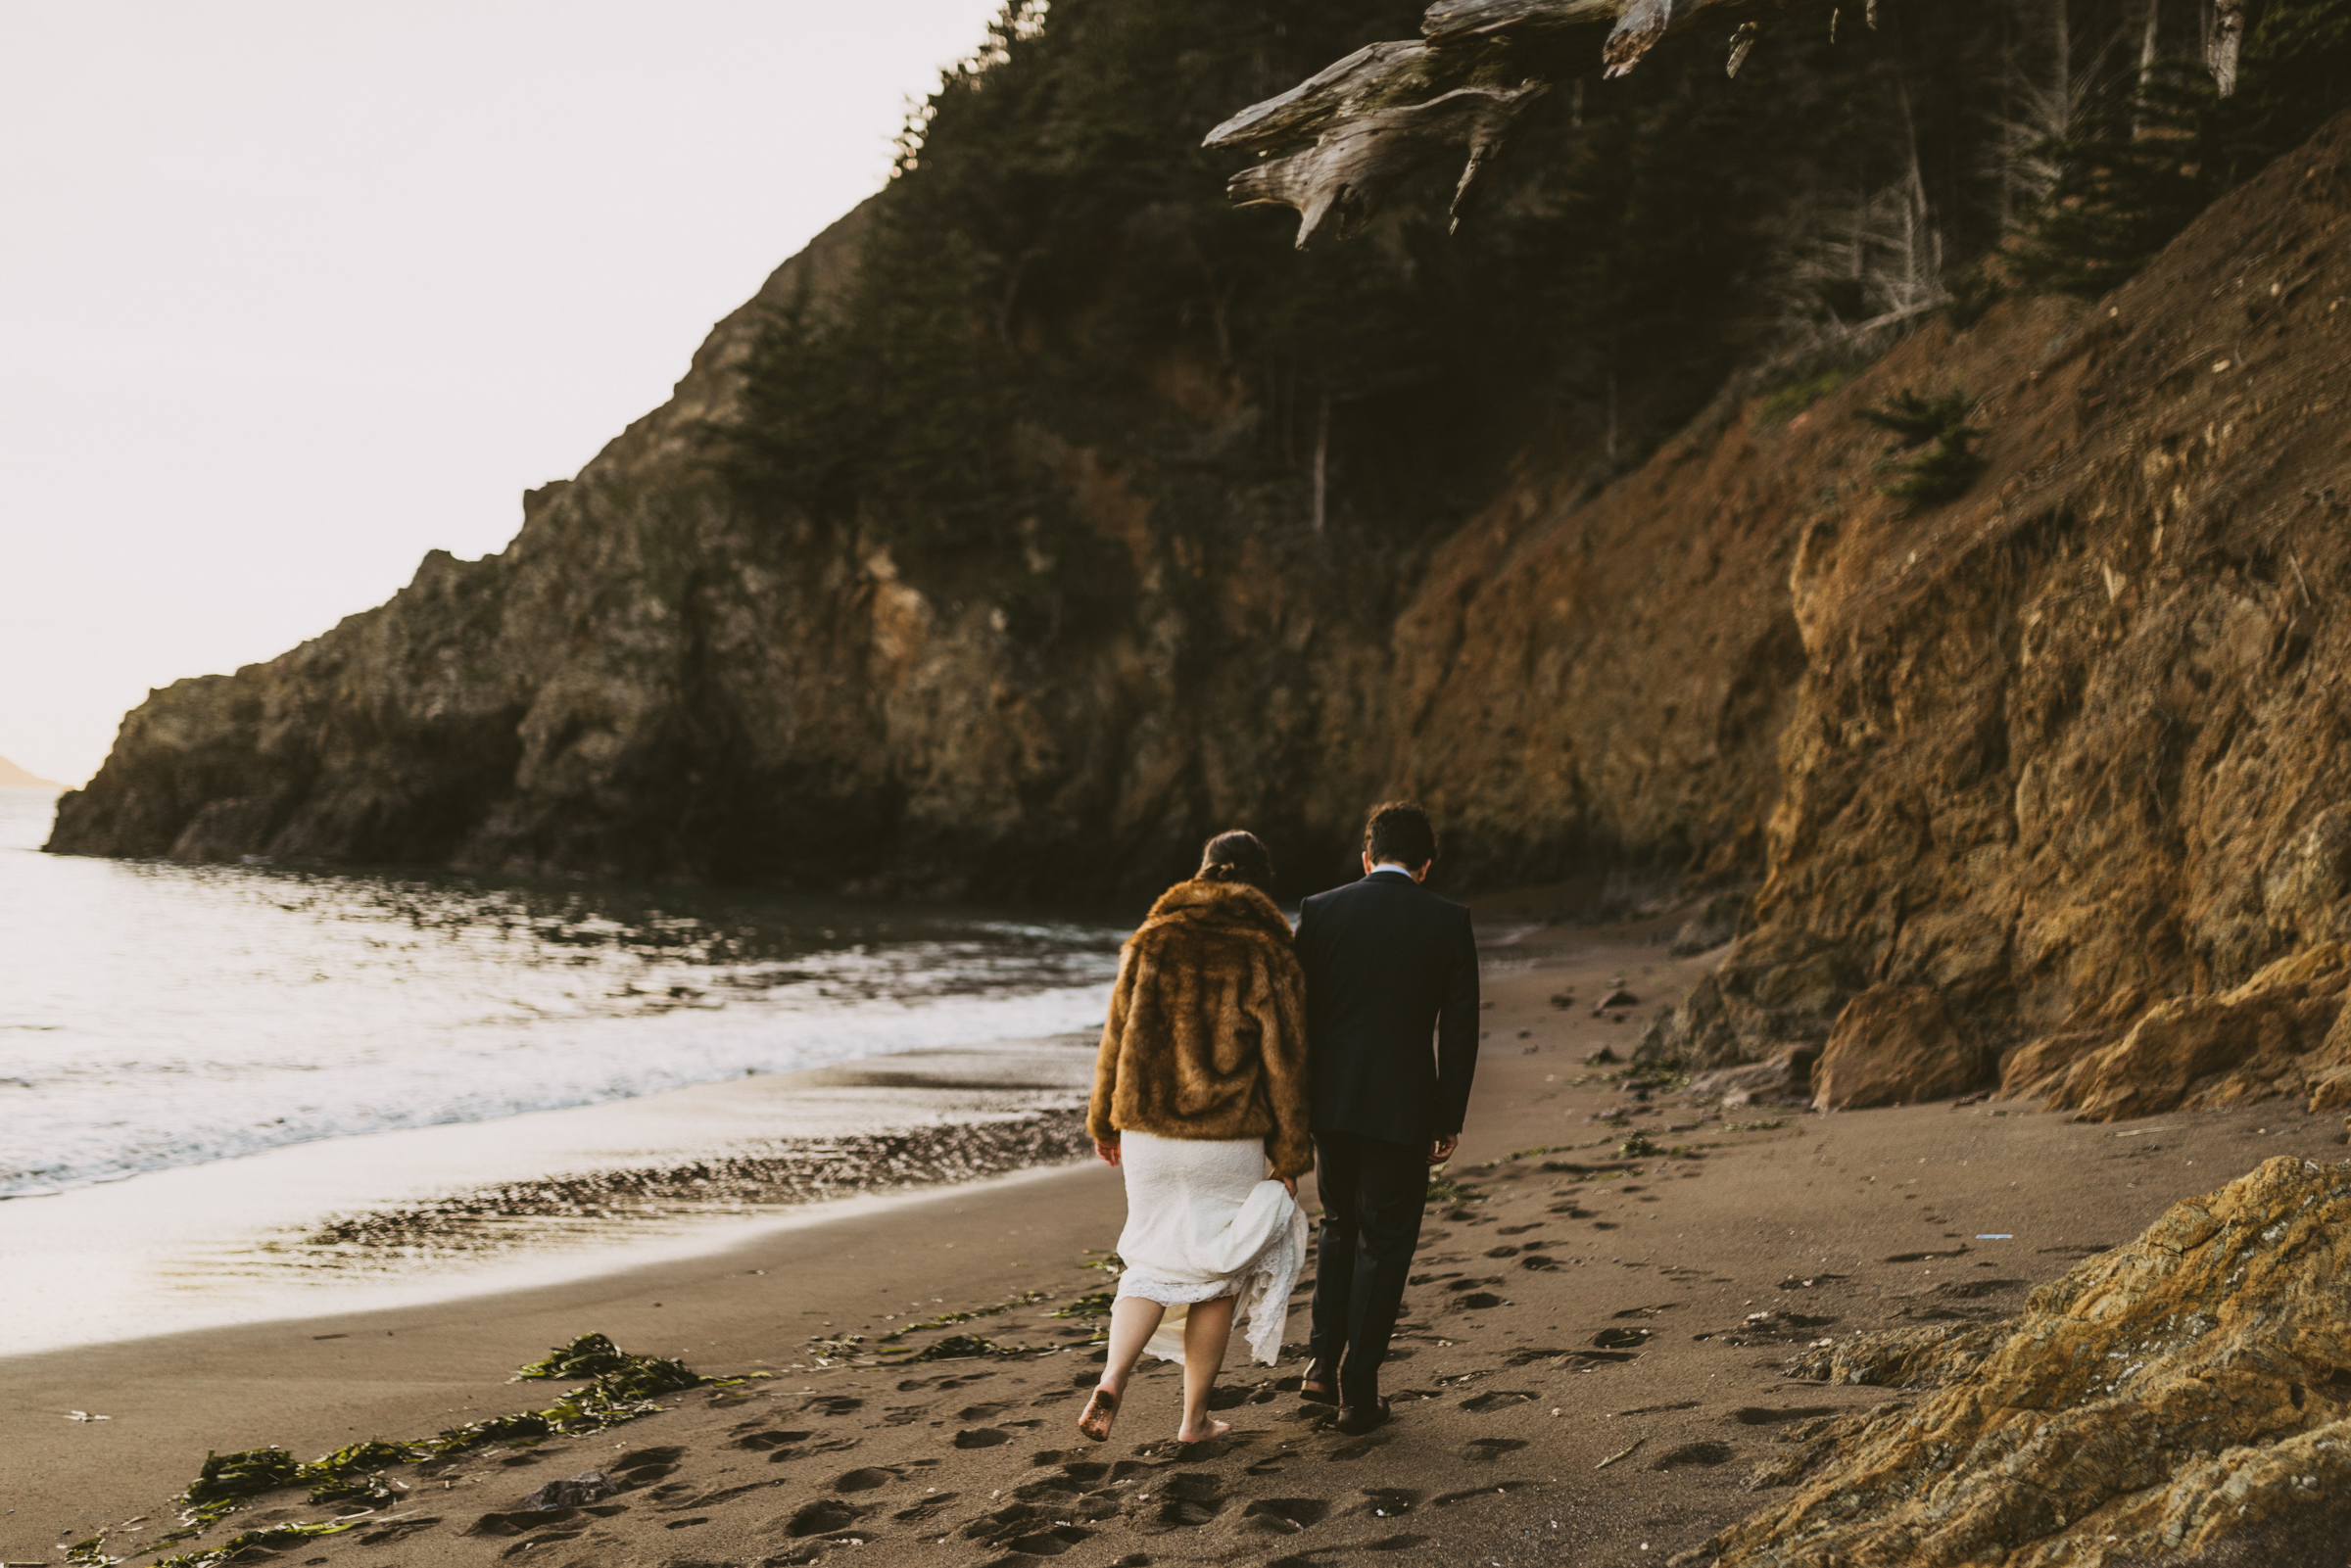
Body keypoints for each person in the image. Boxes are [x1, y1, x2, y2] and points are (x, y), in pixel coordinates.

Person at [1078, 830, 1313, 1447]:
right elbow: (1286, 1061)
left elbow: (1116, 1040)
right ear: (1259, 884)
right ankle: (1193, 1422)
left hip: (1149, 1132)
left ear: (1201, 874)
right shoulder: (1266, 949)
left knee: (1150, 1260)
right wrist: (1290, 1153)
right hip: (1226, 1136)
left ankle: (1111, 1378)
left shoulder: (1150, 940)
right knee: (1214, 1273)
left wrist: (1104, 1120)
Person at [1291, 800, 1478, 1436]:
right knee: (1387, 1242)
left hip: (1330, 1105)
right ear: (1425, 866)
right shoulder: (1448, 921)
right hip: (1403, 1107)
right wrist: (1448, 1114)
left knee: (1339, 1223)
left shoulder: (1320, 911)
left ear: (1366, 858)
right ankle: (1357, 1389)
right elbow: (1460, 1029)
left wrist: (1297, 1102)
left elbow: (1295, 1015)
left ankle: (1320, 1359)